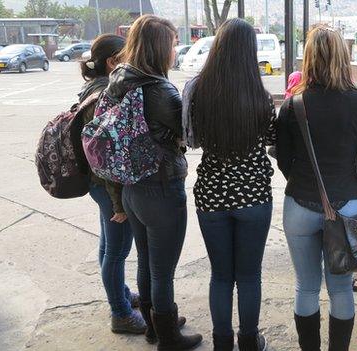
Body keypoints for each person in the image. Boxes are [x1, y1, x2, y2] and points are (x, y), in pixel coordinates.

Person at [276, 25, 357, 351]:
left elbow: (283, 160)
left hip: (299, 204)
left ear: (307, 58)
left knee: (306, 287)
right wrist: (355, 187)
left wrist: (302, 181)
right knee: (341, 289)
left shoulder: (293, 105)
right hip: (346, 207)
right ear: (344, 56)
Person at [182, 18, 275, 351]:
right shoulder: (261, 98)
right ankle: (249, 341)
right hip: (253, 196)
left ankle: (222, 342)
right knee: (249, 275)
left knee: (221, 275)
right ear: (250, 53)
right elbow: (272, 139)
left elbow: (190, 140)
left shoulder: (198, 93)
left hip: (211, 196)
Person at [111, 15, 202, 350]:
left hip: (132, 187)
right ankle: (168, 336)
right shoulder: (161, 90)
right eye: (174, 43)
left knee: (147, 262)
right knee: (162, 271)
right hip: (161, 188)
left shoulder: (120, 78)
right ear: (161, 48)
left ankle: (153, 325)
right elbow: (189, 134)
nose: (176, 50)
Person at [79, 33, 146, 334]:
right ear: (112, 62)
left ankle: (119, 295)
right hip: (108, 187)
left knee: (109, 246)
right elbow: (110, 156)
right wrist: (119, 203)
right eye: (127, 53)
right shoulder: (107, 94)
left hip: (98, 185)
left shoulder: (91, 88)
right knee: (117, 251)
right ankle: (120, 314)